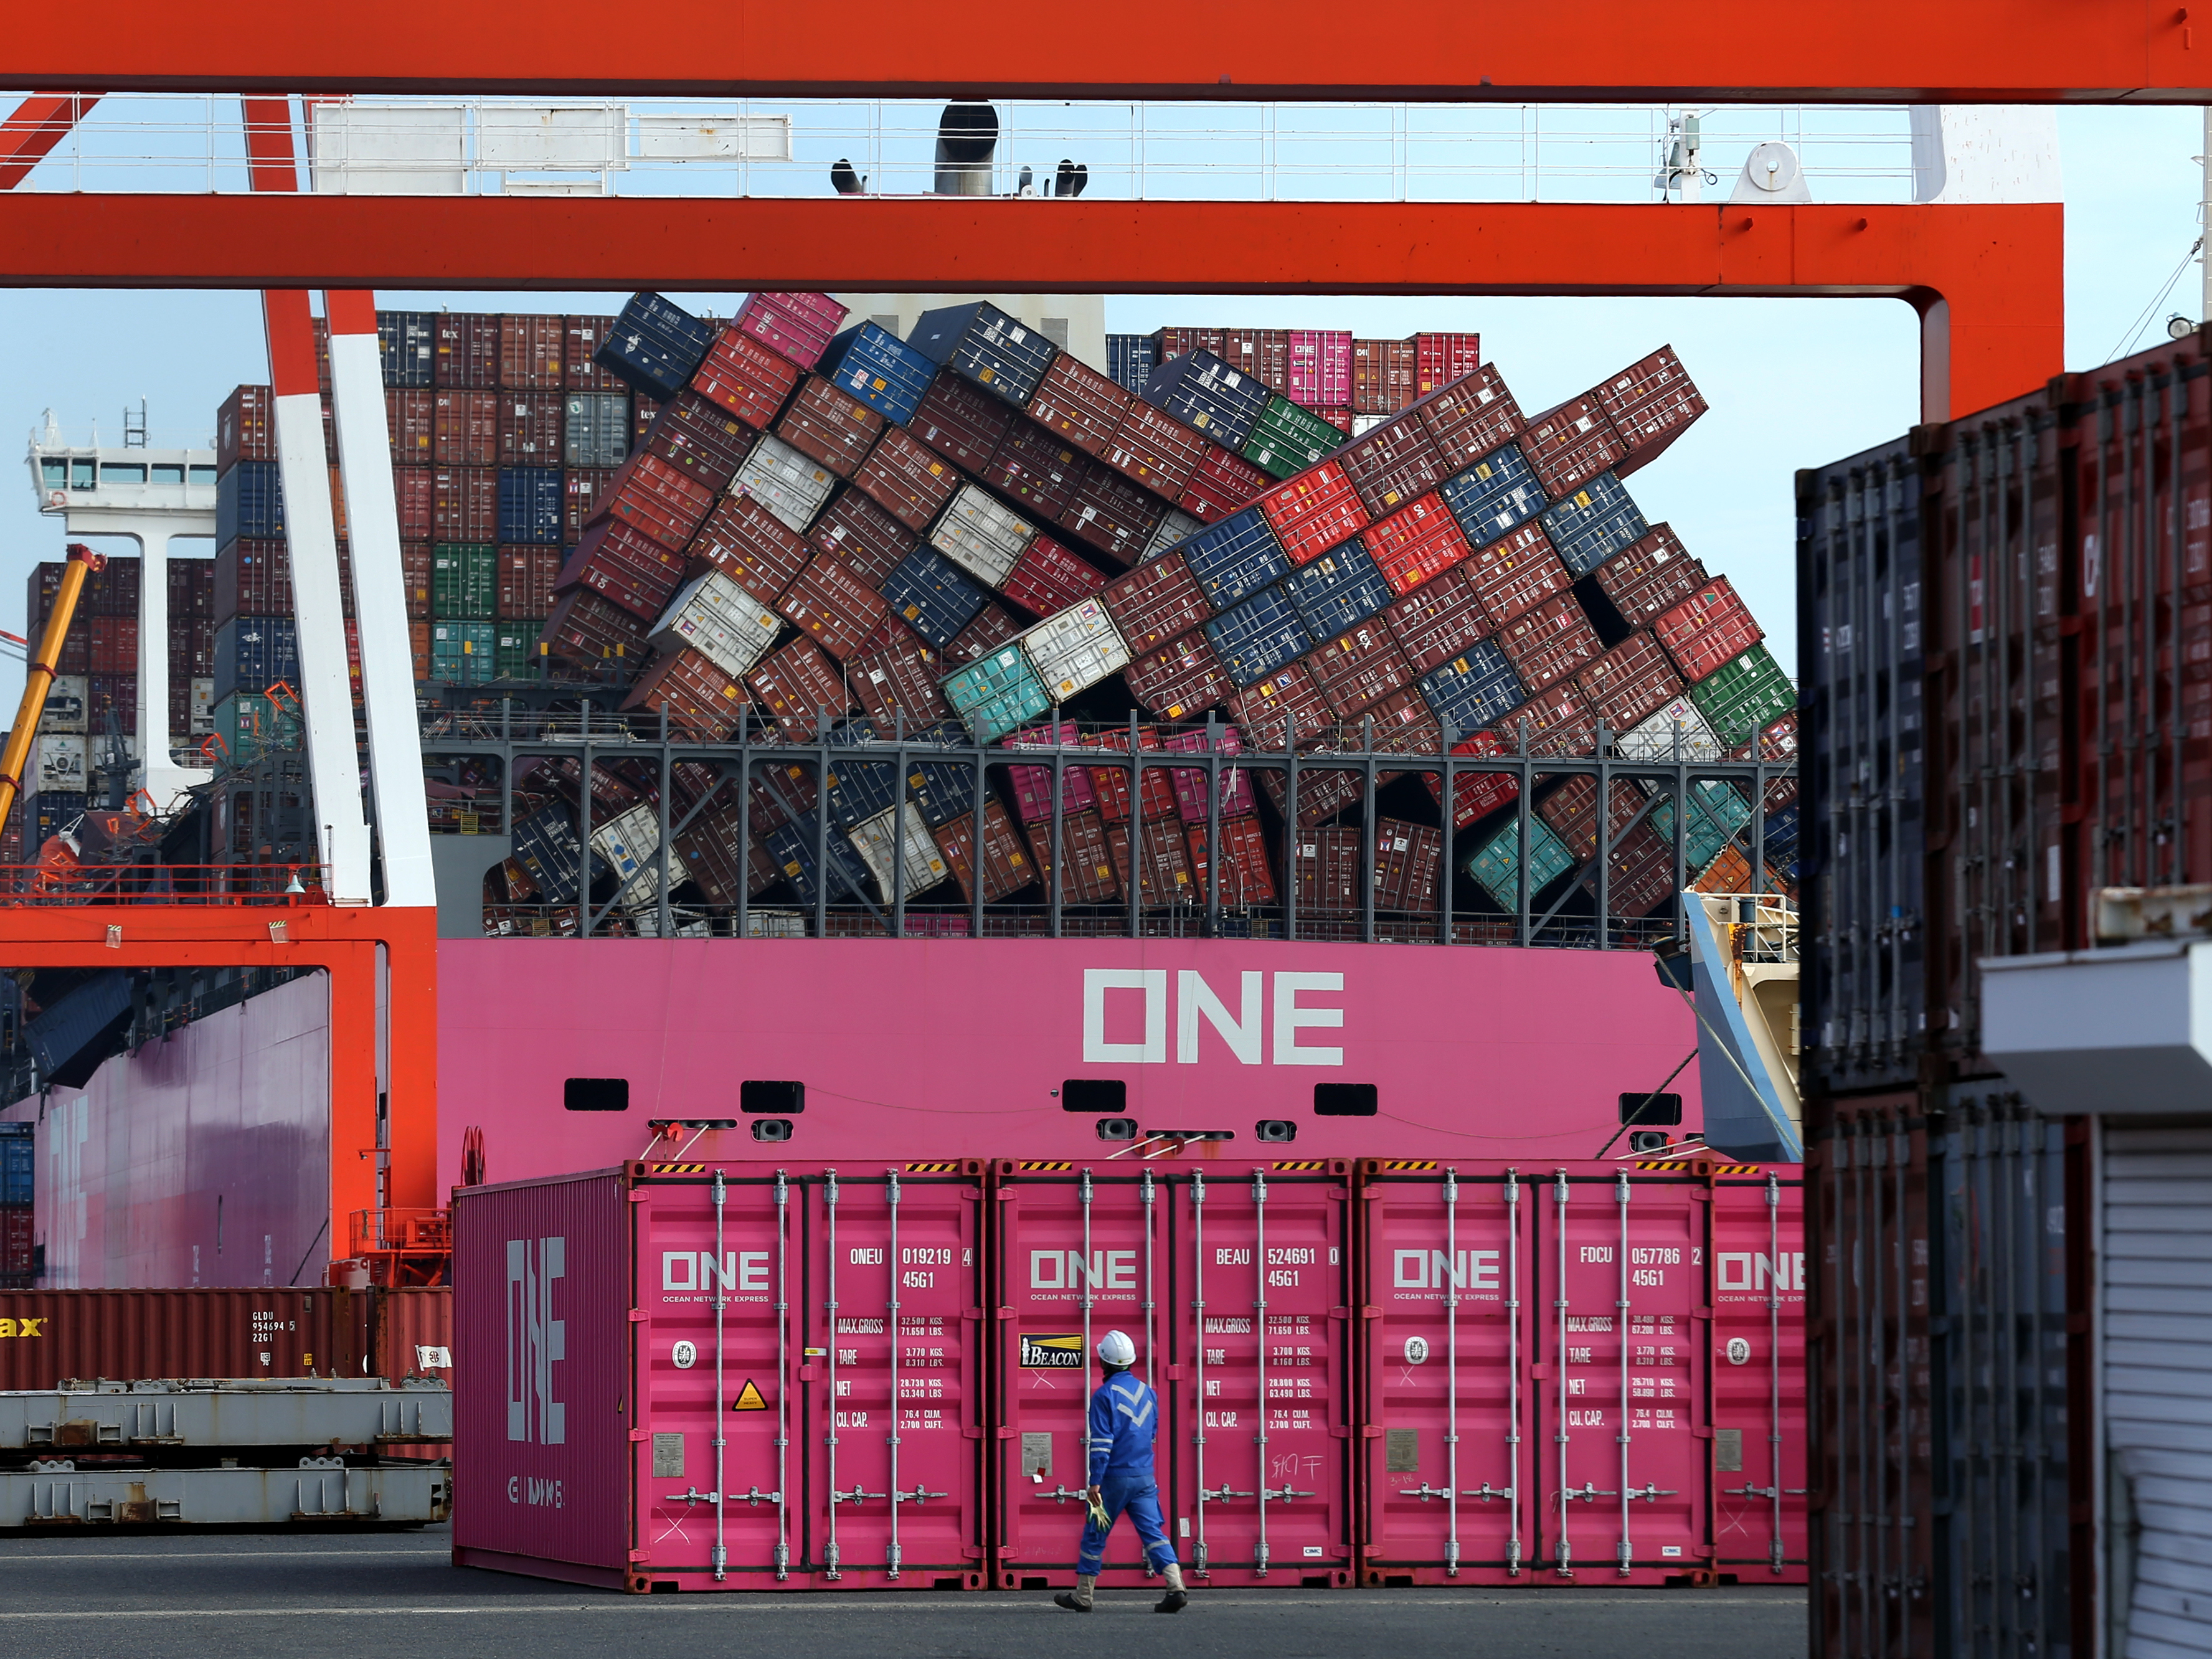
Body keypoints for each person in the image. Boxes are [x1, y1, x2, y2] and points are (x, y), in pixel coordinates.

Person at [1054, 1330, 1189, 1614]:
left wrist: (1095, 1481)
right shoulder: (1149, 1393)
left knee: (1095, 1533)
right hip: (1144, 1476)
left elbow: (1101, 1443)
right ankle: (1176, 1586)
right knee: (1153, 1532)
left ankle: (1083, 1596)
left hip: (1114, 1478)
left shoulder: (1103, 1395)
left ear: (1103, 1361)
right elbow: (1151, 1433)